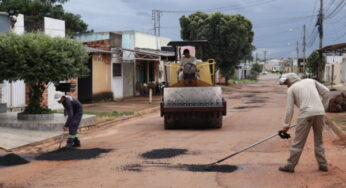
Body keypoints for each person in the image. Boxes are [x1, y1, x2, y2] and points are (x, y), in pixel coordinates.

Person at [279, 73, 330, 173]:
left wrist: (286, 126)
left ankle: (290, 166)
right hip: (320, 113)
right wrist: (323, 108)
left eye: (286, 82)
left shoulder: (291, 89)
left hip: (305, 115)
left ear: (291, 80)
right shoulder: (310, 81)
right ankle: (323, 165)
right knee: (319, 141)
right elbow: (327, 92)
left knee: (298, 142)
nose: (286, 85)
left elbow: (289, 110)